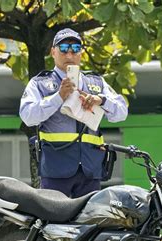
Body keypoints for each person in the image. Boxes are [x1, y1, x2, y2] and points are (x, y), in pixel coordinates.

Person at [20, 28, 128, 198]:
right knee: (54, 222)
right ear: (53, 52)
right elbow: (27, 116)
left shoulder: (96, 82)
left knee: (90, 223)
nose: (69, 54)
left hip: (90, 169)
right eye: (63, 48)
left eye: (76, 49)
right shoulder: (41, 83)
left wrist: (102, 100)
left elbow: (122, 112)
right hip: (56, 168)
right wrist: (58, 97)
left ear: (81, 53)